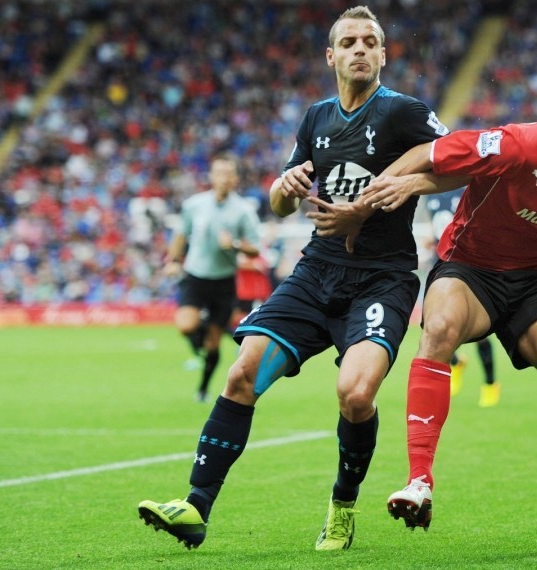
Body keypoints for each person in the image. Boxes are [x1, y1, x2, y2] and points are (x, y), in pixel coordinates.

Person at [137, 5, 450, 552]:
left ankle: (342, 506)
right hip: (316, 271)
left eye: (369, 41)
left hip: (382, 279)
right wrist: (286, 185)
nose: (358, 49)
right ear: (331, 56)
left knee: (355, 394)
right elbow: (282, 205)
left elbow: (455, 161)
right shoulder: (316, 119)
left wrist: (375, 202)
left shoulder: (404, 112)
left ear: (382, 54)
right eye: (347, 41)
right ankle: (195, 506)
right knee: (241, 374)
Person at [321, 87, 537, 554]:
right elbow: (426, 154)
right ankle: (419, 482)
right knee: (439, 331)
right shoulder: (520, 144)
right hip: (470, 268)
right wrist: (362, 209)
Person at [162, 153, 261, 402]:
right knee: (186, 325)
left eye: (228, 174)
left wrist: (235, 244)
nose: (224, 178)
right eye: (219, 173)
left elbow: (255, 247)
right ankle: (200, 342)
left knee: (214, 344)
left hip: (224, 280)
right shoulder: (194, 205)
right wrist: (173, 261)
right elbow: (181, 235)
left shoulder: (243, 210)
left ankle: (203, 389)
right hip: (196, 275)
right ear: (211, 176)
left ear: (235, 178)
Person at [426, 189, 500, 406]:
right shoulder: (431, 193)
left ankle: (490, 384)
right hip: (440, 261)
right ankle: (456, 362)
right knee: (434, 324)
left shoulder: (466, 187)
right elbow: (437, 225)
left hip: (468, 262)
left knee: (479, 330)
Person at [228, 252, 273, 331]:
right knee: (236, 315)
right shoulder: (241, 256)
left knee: (249, 315)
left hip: (253, 294)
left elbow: (261, 267)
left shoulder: (259, 257)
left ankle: (243, 332)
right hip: (241, 293)